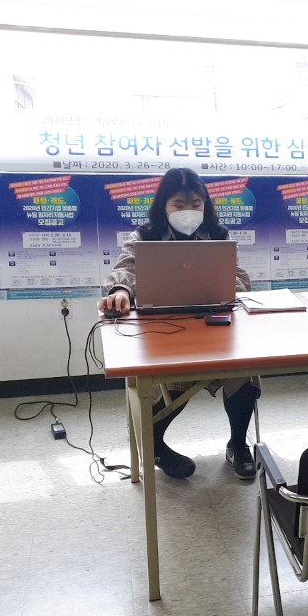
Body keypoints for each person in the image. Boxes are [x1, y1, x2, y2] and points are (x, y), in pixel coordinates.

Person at [99, 168, 259, 480]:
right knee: (173, 383)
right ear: (164, 206)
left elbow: (240, 279)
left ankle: (238, 445)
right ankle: (155, 445)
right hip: (163, 330)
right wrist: (120, 291)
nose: (189, 211)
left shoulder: (219, 236)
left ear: (206, 205)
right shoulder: (144, 237)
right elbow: (125, 270)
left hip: (214, 325)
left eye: (196, 204)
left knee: (244, 372)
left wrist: (228, 284)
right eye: (179, 204)